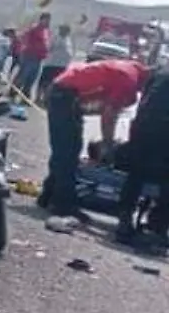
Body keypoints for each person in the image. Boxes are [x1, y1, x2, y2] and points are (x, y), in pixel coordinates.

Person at [39, 55, 148, 217]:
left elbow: (104, 106)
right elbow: (109, 116)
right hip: (66, 94)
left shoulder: (126, 69)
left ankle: (48, 196)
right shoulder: (128, 79)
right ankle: (63, 204)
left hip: (65, 92)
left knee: (68, 148)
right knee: (67, 151)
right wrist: (108, 145)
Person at [114, 71, 169, 247]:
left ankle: (125, 218)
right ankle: (157, 225)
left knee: (135, 176)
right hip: (159, 135)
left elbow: (143, 103)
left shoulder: (159, 75)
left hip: (143, 131)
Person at [14, 13, 51, 96]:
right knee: (24, 75)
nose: (48, 21)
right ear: (41, 19)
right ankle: (13, 92)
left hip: (39, 58)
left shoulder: (46, 31)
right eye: (46, 19)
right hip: (29, 55)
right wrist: (27, 46)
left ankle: (26, 93)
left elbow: (46, 43)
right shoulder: (34, 28)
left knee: (33, 77)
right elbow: (23, 36)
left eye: (49, 20)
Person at [35, 22, 73, 103]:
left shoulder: (68, 39)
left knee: (55, 83)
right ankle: (38, 97)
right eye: (64, 30)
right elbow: (48, 48)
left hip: (62, 65)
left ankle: (47, 99)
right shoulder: (55, 38)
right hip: (52, 63)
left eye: (67, 31)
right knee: (44, 82)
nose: (65, 32)